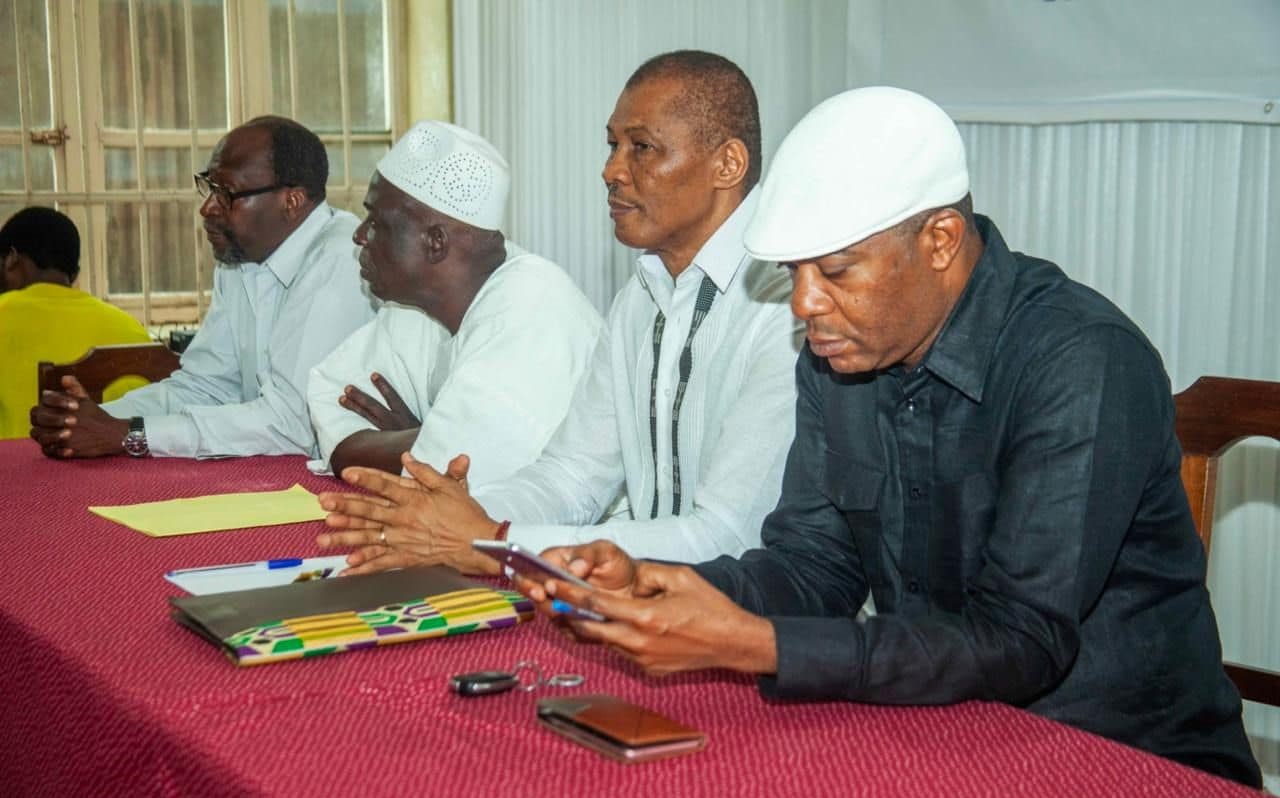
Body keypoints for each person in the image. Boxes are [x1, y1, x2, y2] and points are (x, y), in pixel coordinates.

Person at [514, 87, 1263, 787]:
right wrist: (663, 584)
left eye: (835, 270)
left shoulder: (1080, 360)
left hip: (1123, 758)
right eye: (795, 272)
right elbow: (814, 569)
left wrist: (754, 644)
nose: (805, 304)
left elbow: (1021, 641)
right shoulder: (839, 354)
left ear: (939, 239)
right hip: (943, 733)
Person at [315, 50, 801, 573]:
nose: (611, 170)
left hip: (757, 629)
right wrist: (448, 520)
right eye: (613, 144)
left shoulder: (787, 307)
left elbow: (728, 537)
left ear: (727, 165)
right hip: (632, 602)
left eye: (642, 148)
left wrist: (495, 541)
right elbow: (570, 476)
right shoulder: (641, 297)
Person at [28, 116, 375, 459]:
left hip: (338, 487)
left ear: (292, 201)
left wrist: (131, 434)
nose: (207, 207)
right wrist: (94, 417)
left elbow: (291, 423)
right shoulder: (239, 260)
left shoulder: (341, 261)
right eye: (209, 187)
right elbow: (207, 387)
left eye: (226, 194)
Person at [306, 120, 602, 486]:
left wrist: (426, 443)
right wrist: (425, 442)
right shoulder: (416, 307)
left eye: (378, 222)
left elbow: (465, 470)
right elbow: (329, 393)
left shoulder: (534, 306)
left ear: (435, 243)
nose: (359, 234)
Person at [0, 207, 151, 439]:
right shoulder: (129, 326)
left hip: (15, 471)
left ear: (10, 259)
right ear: (75, 273)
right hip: (119, 471)